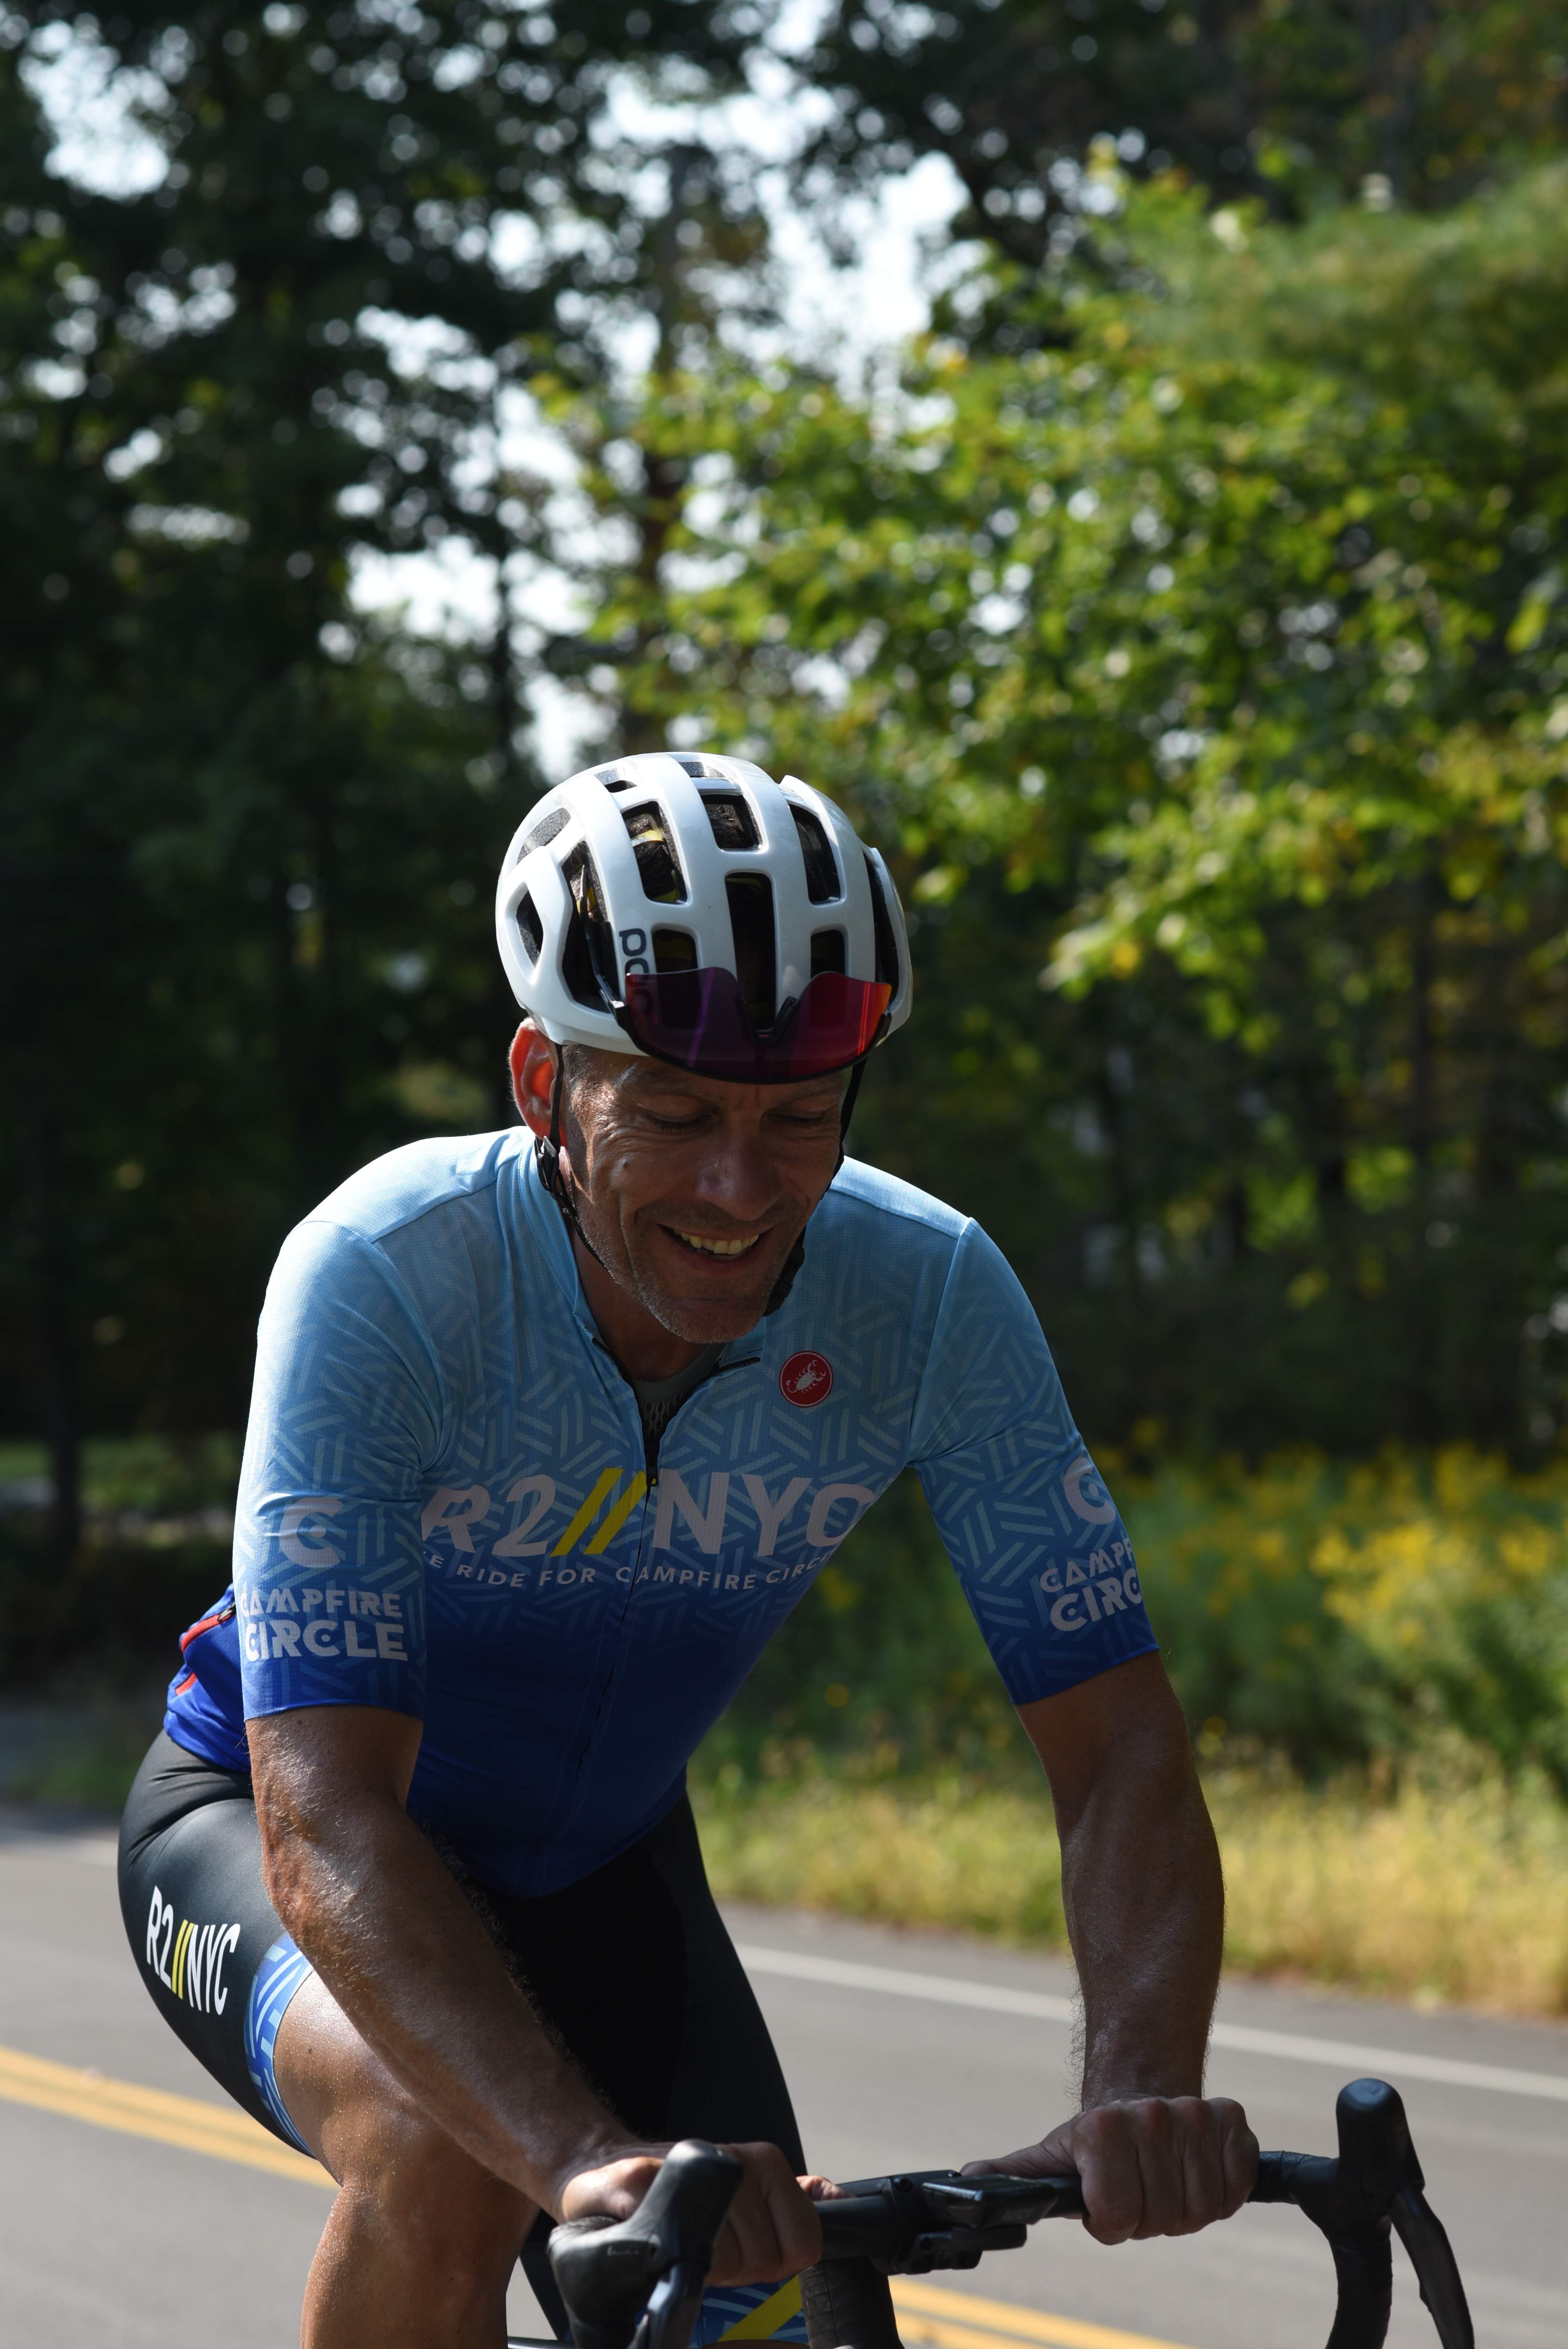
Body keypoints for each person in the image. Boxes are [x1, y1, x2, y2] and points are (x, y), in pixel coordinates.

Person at [118, 752, 1256, 2349]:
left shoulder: (926, 1294)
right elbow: (328, 1814)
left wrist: (1138, 2080)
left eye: (799, 1117)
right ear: (541, 1084)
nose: (740, 1187)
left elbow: (1117, 1737)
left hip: (604, 1872)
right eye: (671, 1112)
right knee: (450, 2156)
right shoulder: (386, 1272)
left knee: (758, 2301)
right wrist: (578, 2158)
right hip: (267, 1833)